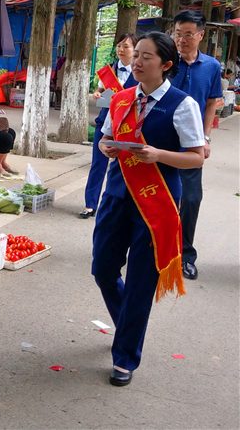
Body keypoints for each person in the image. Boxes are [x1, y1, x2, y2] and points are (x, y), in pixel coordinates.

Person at [92, 32, 204, 387]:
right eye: (136, 54)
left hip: (156, 204)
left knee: (141, 282)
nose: (137, 62)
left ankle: (125, 357)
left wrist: (158, 155)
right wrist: (108, 147)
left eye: (146, 57)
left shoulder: (182, 105)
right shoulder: (121, 98)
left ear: (166, 64)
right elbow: (105, 137)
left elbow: (196, 157)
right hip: (116, 196)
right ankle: (128, 325)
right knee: (103, 269)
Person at [167, 10, 222, 280]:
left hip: (192, 145)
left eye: (188, 34)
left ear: (201, 35)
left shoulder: (211, 66)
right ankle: (152, 249)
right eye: (178, 33)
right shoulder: (165, 61)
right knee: (160, 196)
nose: (182, 39)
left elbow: (211, 102)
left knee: (190, 199)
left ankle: (185, 255)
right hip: (162, 141)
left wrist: (206, 137)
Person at [80, 33, 138, 218]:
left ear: (135, 50)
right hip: (106, 121)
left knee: (124, 165)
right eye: (119, 45)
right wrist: (98, 94)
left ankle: (121, 205)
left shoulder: (140, 71)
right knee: (98, 163)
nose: (121, 49)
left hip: (129, 125)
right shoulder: (109, 71)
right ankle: (90, 204)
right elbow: (101, 92)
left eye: (126, 46)